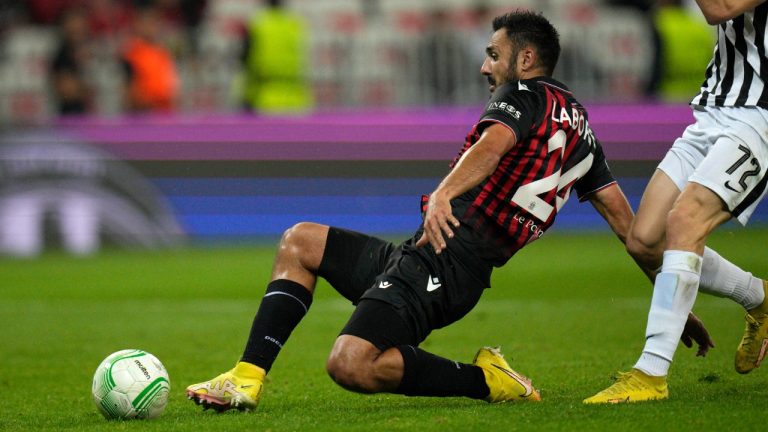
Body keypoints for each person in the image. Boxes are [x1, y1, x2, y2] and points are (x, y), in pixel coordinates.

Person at [185, 10, 636, 411]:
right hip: (423, 256)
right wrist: (673, 290)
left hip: (447, 265)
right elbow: (626, 223)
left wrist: (443, 193)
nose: (485, 67)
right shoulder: (583, 135)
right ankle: (245, 379)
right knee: (300, 241)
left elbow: (493, 145)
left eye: (493, 55)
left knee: (350, 365)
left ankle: (488, 381)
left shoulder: (523, 94)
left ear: (525, 60)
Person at [585, 0, 768, 404]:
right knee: (645, 240)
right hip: (715, 110)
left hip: (760, 117)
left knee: (687, 221)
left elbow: (720, 9)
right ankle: (760, 297)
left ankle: (651, 372)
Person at [240, 0, 313, 114]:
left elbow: (245, 63)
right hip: (297, 99)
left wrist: (246, 97)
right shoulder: (295, 25)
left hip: (265, 99)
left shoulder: (257, 26)